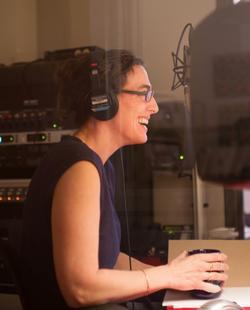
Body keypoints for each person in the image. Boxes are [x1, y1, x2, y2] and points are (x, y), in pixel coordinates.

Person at [20, 49, 228, 310]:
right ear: (104, 101)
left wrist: (176, 276)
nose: (154, 107)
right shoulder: (79, 169)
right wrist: (169, 275)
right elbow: (80, 289)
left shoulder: (99, 165)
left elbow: (105, 257)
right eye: (145, 94)